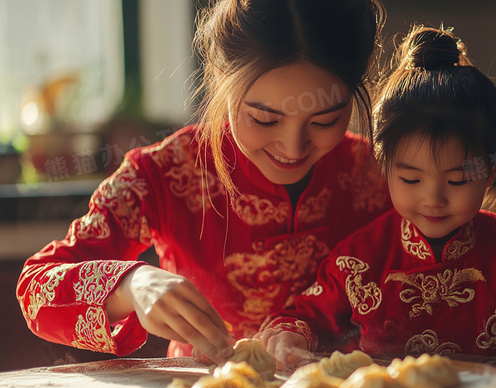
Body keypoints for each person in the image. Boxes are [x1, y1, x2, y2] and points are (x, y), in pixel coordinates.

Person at [16, 0, 391, 364]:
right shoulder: (163, 173)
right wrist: (131, 284)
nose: (292, 148)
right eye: (264, 120)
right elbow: (36, 287)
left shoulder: (384, 175)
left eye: (324, 121)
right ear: (222, 81)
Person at [259, 25, 496, 367]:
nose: (432, 199)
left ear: (492, 170)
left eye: (456, 181)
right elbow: (304, 316)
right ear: (383, 167)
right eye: (410, 179)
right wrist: (291, 334)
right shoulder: (358, 258)